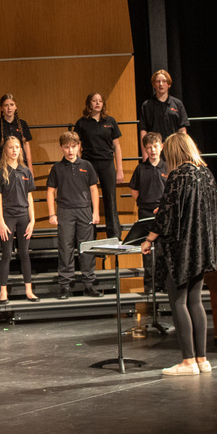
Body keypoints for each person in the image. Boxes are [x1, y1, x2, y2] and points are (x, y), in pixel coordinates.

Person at [140, 132, 217, 376]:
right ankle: (202, 360)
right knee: (196, 301)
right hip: (202, 246)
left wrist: (149, 238)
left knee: (179, 301)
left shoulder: (179, 175)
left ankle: (187, 362)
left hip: (180, 248)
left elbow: (167, 215)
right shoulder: (206, 174)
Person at [47, 131, 102, 299]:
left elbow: (94, 189)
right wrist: (52, 214)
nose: (70, 151)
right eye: (66, 147)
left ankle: (88, 284)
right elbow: (50, 192)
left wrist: (96, 212)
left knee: (87, 248)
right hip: (65, 211)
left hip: (84, 210)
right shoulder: (57, 168)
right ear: (61, 148)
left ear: (79, 146)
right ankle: (65, 285)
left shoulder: (87, 165)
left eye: (73, 146)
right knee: (65, 247)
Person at [0, 136, 39, 304]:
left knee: (25, 254)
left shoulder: (26, 171)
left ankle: (29, 290)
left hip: (23, 216)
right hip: (8, 217)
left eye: (17, 147)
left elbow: (30, 197)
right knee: (6, 254)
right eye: (11, 147)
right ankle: (3, 292)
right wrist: (1, 222)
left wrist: (32, 220)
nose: (14, 150)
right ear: (5, 150)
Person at [74, 92, 124, 240]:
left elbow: (117, 147)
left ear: (103, 104)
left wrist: (119, 169)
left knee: (110, 199)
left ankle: (114, 235)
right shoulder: (82, 122)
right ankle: (89, 235)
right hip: (89, 164)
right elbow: (77, 146)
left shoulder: (110, 121)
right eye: (94, 101)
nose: (97, 103)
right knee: (88, 200)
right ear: (89, 104)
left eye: (100, 101)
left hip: (107, 163)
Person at [129, 132, 167, 293]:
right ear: (145, 149)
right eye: (149, 147)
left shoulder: (167, 167)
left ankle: (164, 284)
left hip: (163, 213)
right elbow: (134, 190)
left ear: (161, 147)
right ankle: (150, 285)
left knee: (163, 250)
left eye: (155, 146)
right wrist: (144, 204)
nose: (152, 150)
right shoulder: (140, 168)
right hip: (146, 212)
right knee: (147, 250)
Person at [139, 69, 189, 161]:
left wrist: (183, 151)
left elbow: (182, 130)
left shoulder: (177, 104)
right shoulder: (147, 105)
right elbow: (143, 131)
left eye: (164, 81)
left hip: (174, 149)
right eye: (158, 81)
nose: (161, 84)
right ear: (154, 85)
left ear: (169, 84)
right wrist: (145, 155)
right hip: (155, 150)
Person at [0, 94, 33, 175]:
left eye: (11, 105)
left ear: (16, 106)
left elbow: (26, 147)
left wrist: (30, 169)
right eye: (6, 105)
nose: (9, 108)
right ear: (1, 108)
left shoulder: (23, 124)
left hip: (21, 166)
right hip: (2, 167)